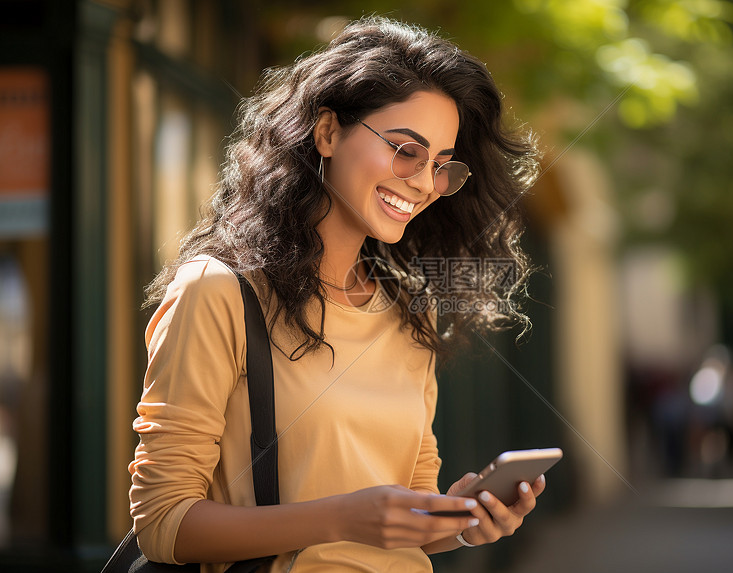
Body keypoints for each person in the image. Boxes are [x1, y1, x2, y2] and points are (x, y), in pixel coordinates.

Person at [129, 16, 543, 573]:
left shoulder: (408, 312)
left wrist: (462, 522)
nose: (423, 182)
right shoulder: (218, 293)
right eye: (404, 149)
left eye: (441, 165)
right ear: (327, 133)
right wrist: (342, 518)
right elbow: (163, 525)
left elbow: (404, 525)